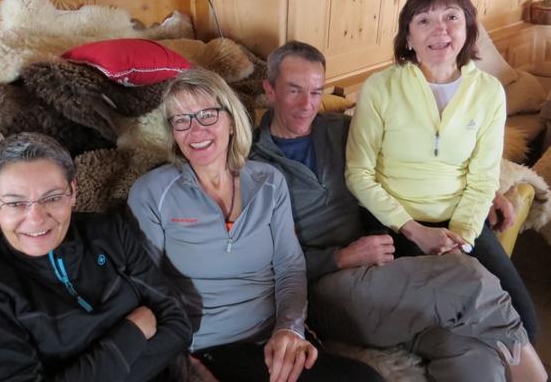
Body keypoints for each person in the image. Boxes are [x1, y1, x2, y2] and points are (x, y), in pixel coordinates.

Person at [251, 40, 548, 382]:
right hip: (322, 291)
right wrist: (340, 257)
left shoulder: (339, 129)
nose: (307, 105)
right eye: (294, 90)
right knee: (468, 276)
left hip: (383, 273)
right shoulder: (253, 168)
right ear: (269, 90)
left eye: (316, 92)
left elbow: (412, 161)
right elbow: (263, 262)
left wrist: (487, 190)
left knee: (470, 346)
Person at [128, 68, 383, 382]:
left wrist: (289, 328)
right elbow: (145, 287)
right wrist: (179, 361)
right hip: (207, 347)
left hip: (275, 337)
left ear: (231, 121)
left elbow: (289, 265)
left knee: (367, 379)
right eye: (181, 120)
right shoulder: (152, 192)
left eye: (207, 115)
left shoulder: (269, 181)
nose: (195, 130)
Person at [344, 0, 538, 341]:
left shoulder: (489, 92)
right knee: (440, 326)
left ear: (468, 28)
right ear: (408, 38)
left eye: (451, 17)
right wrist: (414, 230)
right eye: (424, 20)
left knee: (524, 323)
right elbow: (358, 173)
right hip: (394, 222)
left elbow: (483, 178)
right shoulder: (380, 88)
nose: (440, 30)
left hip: (460, 221)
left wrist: (460, 240)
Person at [0, 132, 192, 381]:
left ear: (73, 191)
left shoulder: (109, 231)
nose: (36, 219)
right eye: (15, 203)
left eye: (52, 198)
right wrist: (133, 331)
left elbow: (178, 323)